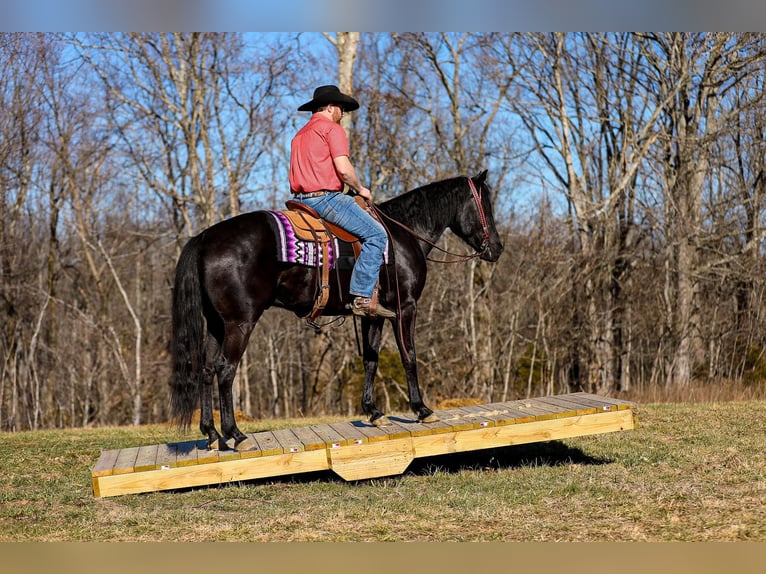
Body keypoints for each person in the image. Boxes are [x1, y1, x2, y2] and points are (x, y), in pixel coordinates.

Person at [289, 85, 396, 319]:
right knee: (377, 236)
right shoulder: (332, 129)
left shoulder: (299, 135)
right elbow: (344, 170)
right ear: (330, 107)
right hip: (325, 199)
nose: (343, 113)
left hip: (300, 201)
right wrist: (361, 189)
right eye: (341, 108)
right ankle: (362, 296)